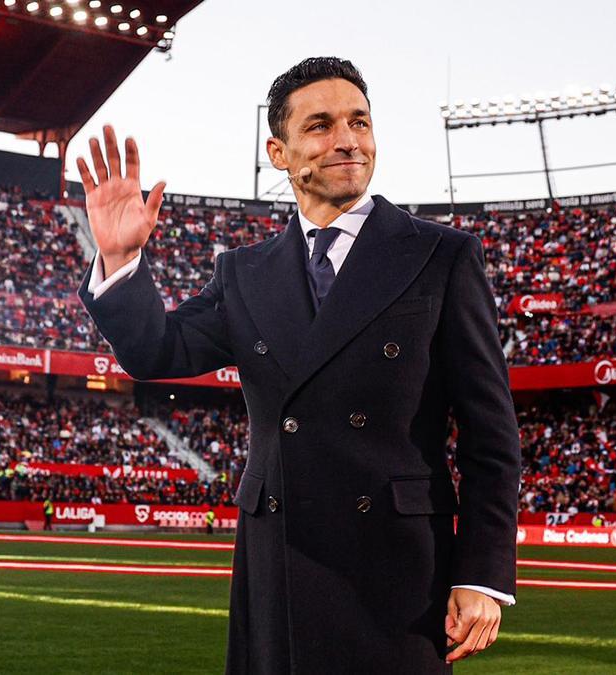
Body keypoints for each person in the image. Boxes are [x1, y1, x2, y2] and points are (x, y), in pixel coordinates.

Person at [75, 57, 521, 673]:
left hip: (399, 569)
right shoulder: (243, 272)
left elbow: (491, 437)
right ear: (278, 152)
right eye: (321, 125)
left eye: (359, 122)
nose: (347, 140)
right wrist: (121, 261)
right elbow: (157, 352)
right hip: (277, 558)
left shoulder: (442, 255)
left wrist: (481, 572)